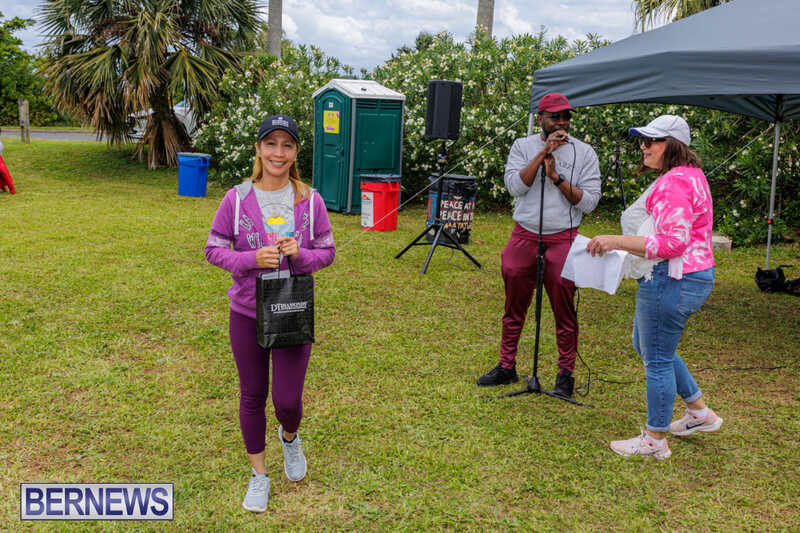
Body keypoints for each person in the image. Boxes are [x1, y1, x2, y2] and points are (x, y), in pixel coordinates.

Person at [205, 115, 335, 511]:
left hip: (291, 309)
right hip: (247, 313)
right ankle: (259, 475)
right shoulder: (236, 198)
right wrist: (249, 259)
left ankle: (290, 438)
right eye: (271, 144)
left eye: (287, 145)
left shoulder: (310, 200)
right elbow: (213, 249)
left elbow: (327, 252)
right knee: (252, 395)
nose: (278, 153)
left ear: (296, 153)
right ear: (259, 149)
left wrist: (302, 254)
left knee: (287, 401)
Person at [586, 114, 722, 460]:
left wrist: (614, 240)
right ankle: (699, 413)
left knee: (657, 357)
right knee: (647, 344)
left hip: (672, 277)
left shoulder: (674, 183)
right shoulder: (691, 175)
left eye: (652, 141)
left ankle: (655, 440)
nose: (643, 147)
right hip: (692, 275)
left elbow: (672, 244)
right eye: (642, 140)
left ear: (672, 145)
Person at [477, 92, 601, 397]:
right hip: (525, 234)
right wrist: (542, 153)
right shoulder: (522, 146)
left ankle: (565, 375)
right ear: (541, 118)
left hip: (563, 237)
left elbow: (589, 203)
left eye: (566, 116)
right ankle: (507, 366)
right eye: (555, 117)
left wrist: (556, 177)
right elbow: (515, 187)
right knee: (514, 306)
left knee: (564, 310)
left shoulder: (585, 153)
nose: (562, 122)